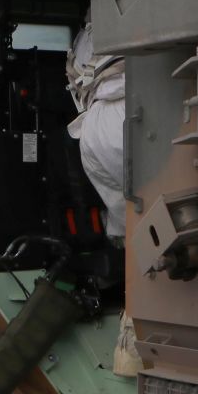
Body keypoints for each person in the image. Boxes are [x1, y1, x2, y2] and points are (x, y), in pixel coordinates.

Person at [66, 20, 140, 376]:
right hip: (138, 113)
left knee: (133, 226)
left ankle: (132, 336)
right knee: (150, 224)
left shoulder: (91, 29)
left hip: (96, 126)